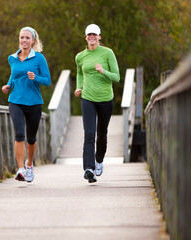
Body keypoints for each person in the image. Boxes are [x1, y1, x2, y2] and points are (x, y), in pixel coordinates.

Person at [2, 26, 51, 183]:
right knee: (19, 135)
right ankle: (20, 168)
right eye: (22, 37)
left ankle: (29, 165)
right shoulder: (12, 58)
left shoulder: (39, 58)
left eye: (27, 38)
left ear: (33, 41)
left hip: (34, 102)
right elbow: (13, 76)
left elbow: (47, 80)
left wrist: (35, 77)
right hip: (15, 100)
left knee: (31, 138)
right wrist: (8, 86)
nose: (24, 40)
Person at [74, 24, 120, 183]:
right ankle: (88, 168)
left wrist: (103, 71)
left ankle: (99, 160)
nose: (91, 37)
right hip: (87, 98)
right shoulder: (80, 56)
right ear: (85, 37)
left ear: (99, 37)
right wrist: (79, 87)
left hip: (106, 99)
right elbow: (80, 73)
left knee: (102, 133)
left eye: (94, 35)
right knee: (89, 134)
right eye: (89, 35)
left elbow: (116, 77)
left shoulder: (108, 53)